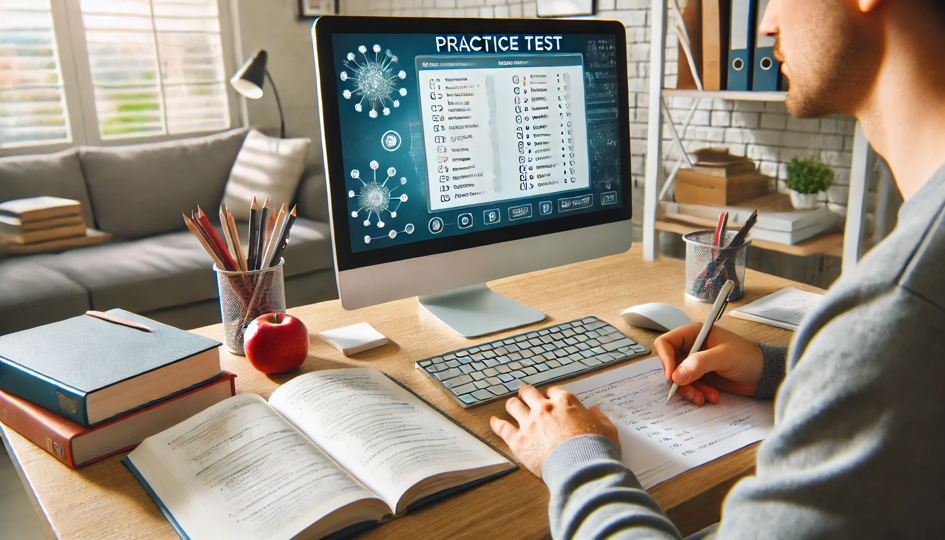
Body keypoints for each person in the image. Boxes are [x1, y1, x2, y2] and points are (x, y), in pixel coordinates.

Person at [489, 0, 945, 537]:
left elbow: (893, 355)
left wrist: (573, 456)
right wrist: (776, 369)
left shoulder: (901, 304)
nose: (767, 23)